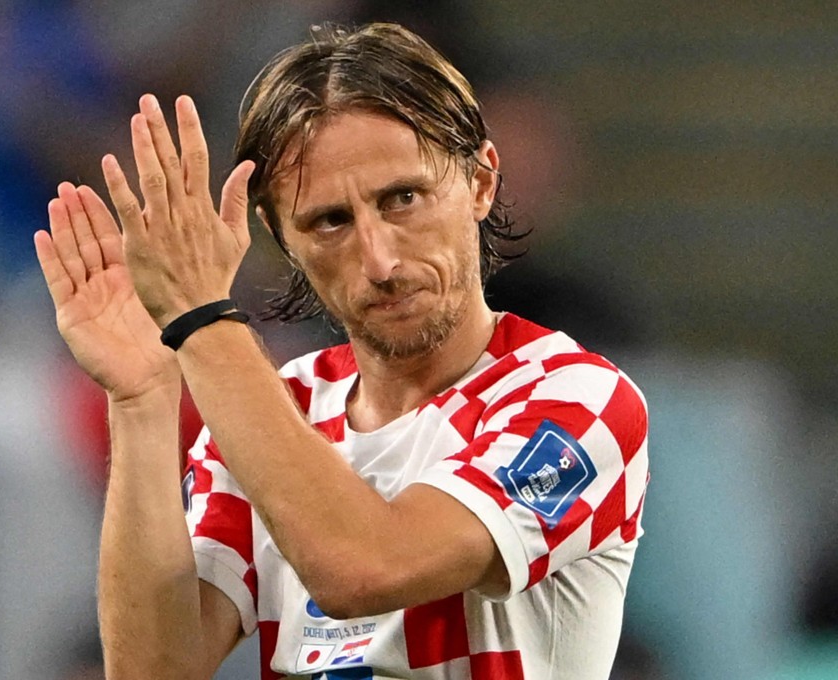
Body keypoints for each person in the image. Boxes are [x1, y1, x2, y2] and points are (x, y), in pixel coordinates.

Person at [34, 23, 649, 680]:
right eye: (330, 221)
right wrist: (142, 398)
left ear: (480, 180)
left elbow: (367, 569)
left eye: (403, 199)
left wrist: (203, 318)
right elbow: (155, 671)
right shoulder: (276, 413)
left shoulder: (575, 399)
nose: (379, 260)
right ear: (280, 237)